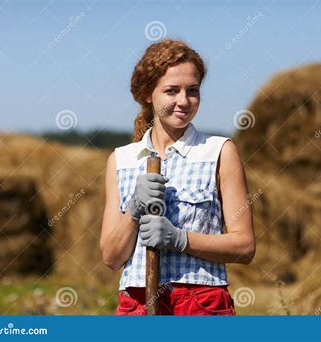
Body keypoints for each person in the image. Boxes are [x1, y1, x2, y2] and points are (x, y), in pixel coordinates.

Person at [100, 39, 255, 315]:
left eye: (192, 91)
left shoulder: (219, 152)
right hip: (137, 303)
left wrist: (179, 239)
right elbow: (111, 257)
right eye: (172, 91)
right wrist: (133, 210)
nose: (184, 101)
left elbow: (244, 246)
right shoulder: (121, 161)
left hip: (202, 304)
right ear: (148, 94)